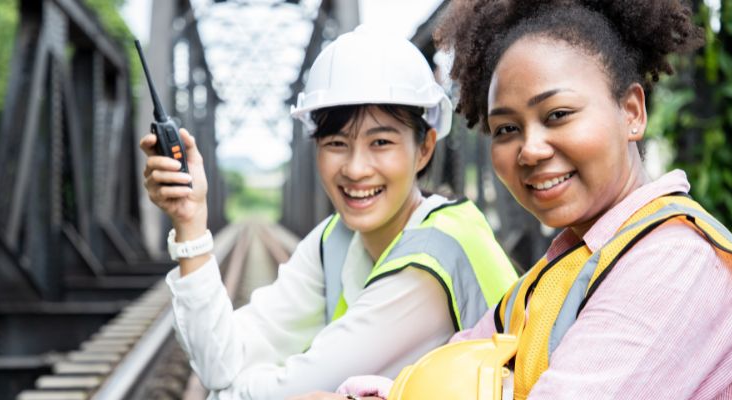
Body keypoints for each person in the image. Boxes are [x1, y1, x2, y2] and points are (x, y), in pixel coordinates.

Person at [336, 1, 732, 399]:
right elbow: (443, 375)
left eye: (558, 114)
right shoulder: (552, 274)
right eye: (506, 128)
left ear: (631, 111)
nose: (530, 150)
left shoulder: (671, 262)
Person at [139, 24, 518, 400]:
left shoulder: (434, 258)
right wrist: (190, 224)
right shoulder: (335, 239)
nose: (355, 168)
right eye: (337, 143)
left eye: (381, 142)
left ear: (424, 149)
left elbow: (261, 395)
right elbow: (219, 361)